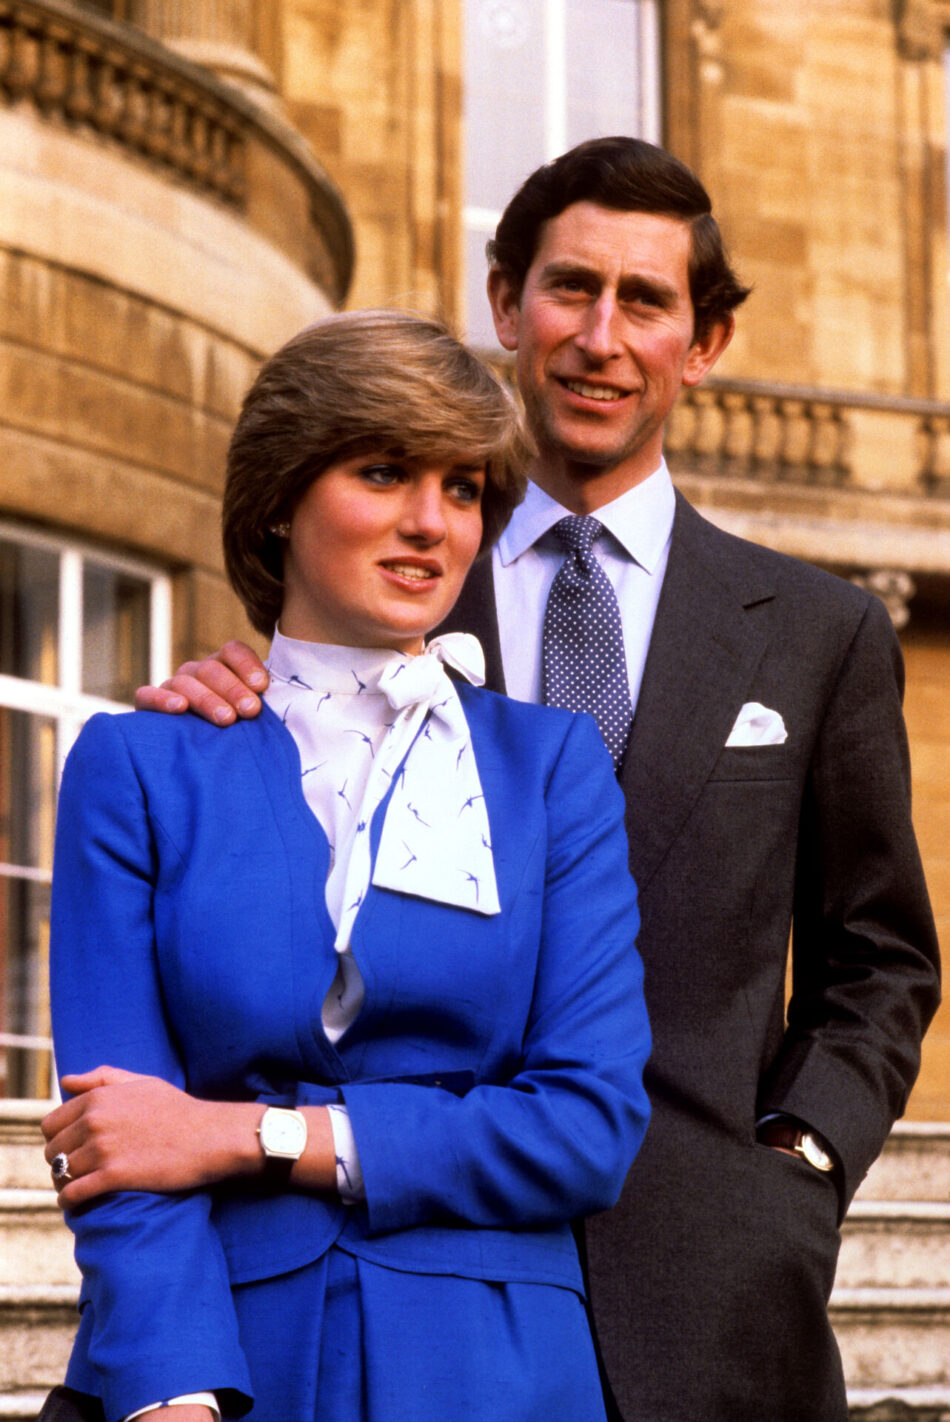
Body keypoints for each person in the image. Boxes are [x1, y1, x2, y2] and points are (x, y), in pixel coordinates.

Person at [133, 139, 941, 1422]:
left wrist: (793, 1164)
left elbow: (878, 959)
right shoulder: (381, 593)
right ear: (504, 303)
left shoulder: (814, 632)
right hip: (407, 1275)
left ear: (704, 340)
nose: (599, 338)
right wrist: (245, 698)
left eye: (645, 301)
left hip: (708, 1284)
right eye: (568, 289)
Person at [41, 309, 652, 1422]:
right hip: (220, 1350)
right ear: (279, 499)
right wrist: (171, 1391)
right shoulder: (137, 765)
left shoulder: (550, 770)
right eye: (382, 472)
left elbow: (585, 1127)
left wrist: (246, 1133)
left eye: (463, 489)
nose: (431, 523)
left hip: (497, 1371)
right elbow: (116, 1130)